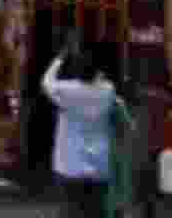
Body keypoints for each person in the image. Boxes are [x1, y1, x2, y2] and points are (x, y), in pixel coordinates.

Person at [42, 37, 117, 218]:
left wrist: (59, 59)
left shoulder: (67, 90)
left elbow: (46, 82)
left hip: (70, 167)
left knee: (70, 211)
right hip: (99, 168)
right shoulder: (107, 90)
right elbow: (102, 81)